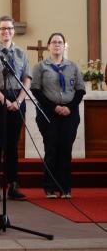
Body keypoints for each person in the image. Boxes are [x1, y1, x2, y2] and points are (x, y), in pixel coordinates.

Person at [0, 16, 32, 201]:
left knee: (12, 145)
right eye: (2, 29)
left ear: (13, 31)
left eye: (9, 28)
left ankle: (13, 185)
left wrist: (18, 100)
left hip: (18, 99)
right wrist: (3, 100)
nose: (6, 32)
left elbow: (27, 78)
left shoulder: (21, 53)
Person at [31, 33, 86, 199]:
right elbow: (35, 90)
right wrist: (54, 107)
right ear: (49, 46)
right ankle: (49, 187)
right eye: (54, 42)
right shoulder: (41, 66)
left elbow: (80, 90)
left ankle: (65, 187)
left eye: (60, 42)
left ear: (64, 46)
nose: (57, 45)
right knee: (51, 149)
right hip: (48, 113)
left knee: (65, 149)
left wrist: (69, 107)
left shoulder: (73, 66)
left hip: (70, 114)